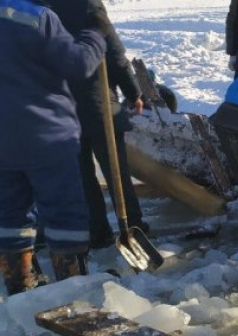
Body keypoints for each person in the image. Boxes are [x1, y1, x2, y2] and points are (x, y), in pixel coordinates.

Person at [0, 0, 107, 295]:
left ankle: (20, 294)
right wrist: (96, 37)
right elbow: (77, 63)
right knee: (64, 216)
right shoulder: (35, 18)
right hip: (46, 136)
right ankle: (72, 297)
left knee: (10, 217)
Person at [47, 0, 147, 250]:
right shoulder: (88, 5)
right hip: (97, 102)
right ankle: (132, 225)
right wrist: (133, 92)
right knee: (116, 171)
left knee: (82, 175)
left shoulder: (38, 7)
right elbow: (113, 52)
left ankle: (97, 230)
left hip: (60, 106)